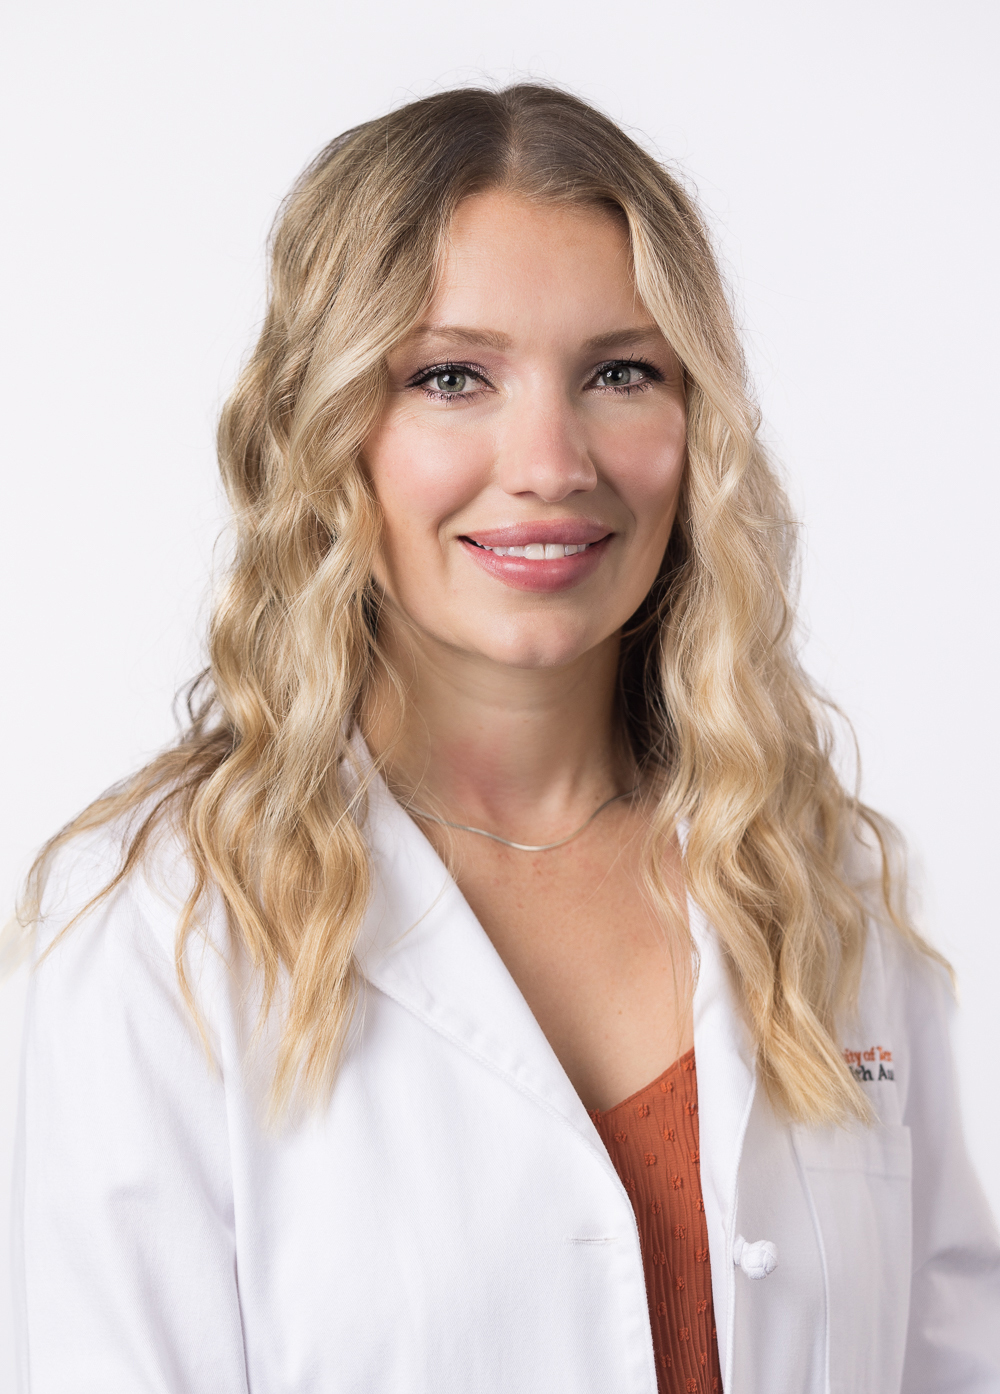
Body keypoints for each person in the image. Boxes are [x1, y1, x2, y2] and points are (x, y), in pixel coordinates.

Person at [11, 84, 999, 1394]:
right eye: (452, 376)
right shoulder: (159, 931)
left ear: (698, 422)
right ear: (331, 431)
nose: (549, 459)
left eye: (620, 372)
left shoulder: (817, 881)